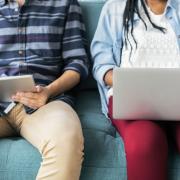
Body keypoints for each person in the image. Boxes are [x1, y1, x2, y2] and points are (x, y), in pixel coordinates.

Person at [91, 0, 180, 180]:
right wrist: (125, 82)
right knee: (144, 143)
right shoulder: (114, 8)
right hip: (131, 99)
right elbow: (102, 64)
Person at [0, 0, 89, 179]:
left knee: (66, 139)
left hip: (47, 101)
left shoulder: (66, 3)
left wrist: (48, 91)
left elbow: (78, 63)